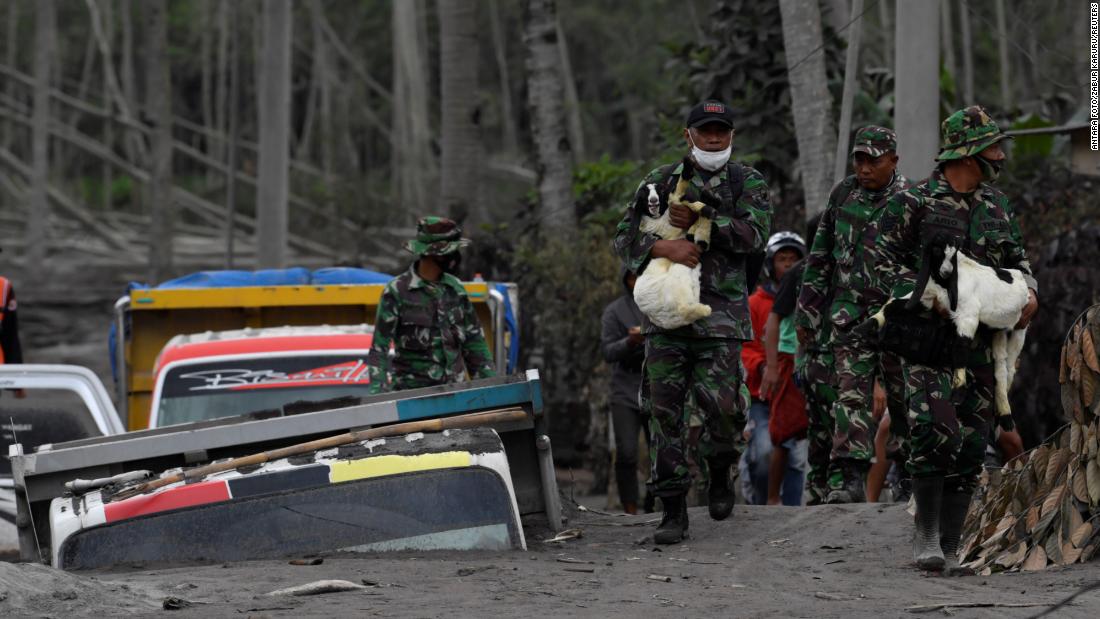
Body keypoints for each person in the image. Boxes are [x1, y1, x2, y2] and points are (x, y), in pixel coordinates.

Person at [869, 105, 1039, 572]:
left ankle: (950, 543)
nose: (1000, 156)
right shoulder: (915, 204)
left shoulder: (996, 206)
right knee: (933, 431)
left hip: (983, 343)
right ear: (966, 154)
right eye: (992, 148)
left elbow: (1018, 263)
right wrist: (930, 295)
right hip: (930, 341)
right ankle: (925, 535)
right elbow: (881, 267)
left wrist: (1029, 296)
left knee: (970, 440)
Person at [614, 99, 771, 544]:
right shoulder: (659, 182)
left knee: (724, 409)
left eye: (721, 130)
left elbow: (755, 234)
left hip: (720, 319)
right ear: (689, 136)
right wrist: (664, 247)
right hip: (666, 319)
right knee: (663, 413)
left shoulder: (747, 182)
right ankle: (673, 510)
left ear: (732, 135)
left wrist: (705, 218)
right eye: (705, 130)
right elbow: (624, 237)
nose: (714, 137)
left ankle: (719, 467)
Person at [796, 126, 911, 504]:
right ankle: (849, 478)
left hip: (897, 316)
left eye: (873, 160)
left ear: (893, 160)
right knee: (850, 394)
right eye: (859, 159)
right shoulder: (842, 194)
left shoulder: (913, 199)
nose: (864, 167)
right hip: (849, 316)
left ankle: (907, 472)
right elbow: (820, 257)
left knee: (903, 395)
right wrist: (808, 313)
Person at [367, 217, 495, 394]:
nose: (455, 258)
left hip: (456, 397)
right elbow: (378, 351)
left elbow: (475, 346)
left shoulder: (455, 290)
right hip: (412, 400)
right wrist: (380, 400)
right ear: (433, 254)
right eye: (450, 252)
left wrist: (490, 392)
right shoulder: (397, 291)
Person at [742, 232, 806, 505]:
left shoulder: (806, 298)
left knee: (794, 453)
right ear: (770, 264)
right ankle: (759, 508)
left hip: (792, 386)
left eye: (793, 259)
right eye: (782, 259)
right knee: (765, 452)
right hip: (761, 394)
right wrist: (765, 366)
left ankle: (791, 513)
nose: (788, 265)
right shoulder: (755, 303)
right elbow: (746, 347)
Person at [600, 269, 651, 514]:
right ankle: (629, 509)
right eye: (632, 277)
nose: (637, 281)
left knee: (661, 451)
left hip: (657, 385)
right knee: (627, 452)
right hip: (625, 388)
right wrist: (630, 341)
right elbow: (608, 351)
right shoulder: (615, 311)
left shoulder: (660, 301)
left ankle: (656, 506)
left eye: (641, 275)